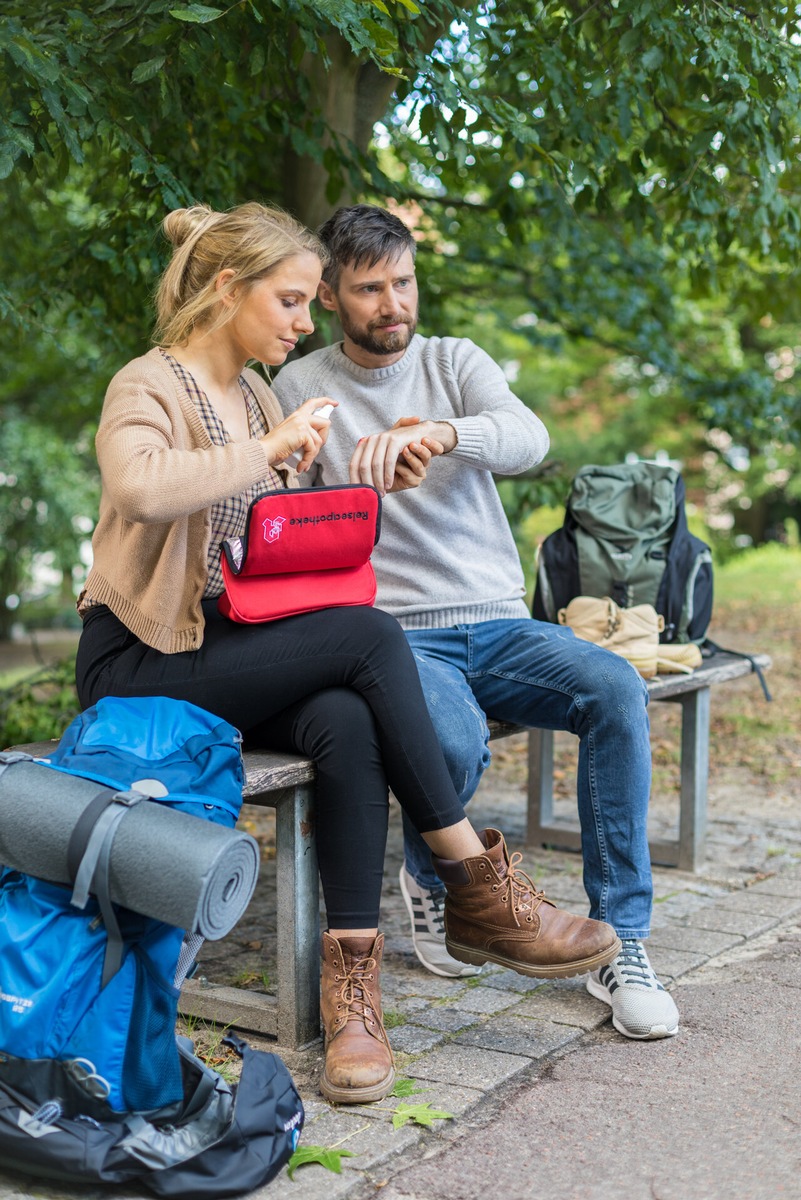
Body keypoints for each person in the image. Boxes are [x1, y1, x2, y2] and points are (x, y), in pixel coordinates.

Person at [74, 201, 621, 1107]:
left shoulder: (254, 392)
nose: (304, 319)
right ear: (226, 290)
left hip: (227, 646)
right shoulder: (150, 385)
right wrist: (267, 453)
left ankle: (352, 998)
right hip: (138, 661)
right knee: (369, 637)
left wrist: (336, 490)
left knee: (344, 713)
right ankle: (472, 879)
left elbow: (260, 543)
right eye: (290, 301)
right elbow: (139, 484)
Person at [270, 203, 681, 1042]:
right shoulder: (300, 385)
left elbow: (528, 437)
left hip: (498, 623)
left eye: (404, 283)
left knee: (611, 686)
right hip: (390, 635)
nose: (393, 304)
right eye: (370, 289)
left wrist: (450, 435)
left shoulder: (455, 361)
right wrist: (335, 479)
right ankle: (442, 883)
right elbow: (281, 523)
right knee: (450, 743)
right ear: (333, 297)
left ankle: (624, 942)